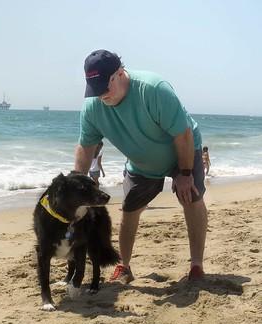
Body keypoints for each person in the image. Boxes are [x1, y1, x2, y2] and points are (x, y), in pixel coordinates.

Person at [74, 49, 208, 283]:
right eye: (94, 90)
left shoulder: (153, 89)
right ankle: (124, 266)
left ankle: (197, 265)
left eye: (104, 87)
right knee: (129, 209)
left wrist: (185, 173)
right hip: (142, 162)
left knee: (191, 197)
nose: (101, 95)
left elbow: (183, 134)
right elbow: (86, 148)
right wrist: (76, 185)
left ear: (119, 74)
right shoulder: (93, 107)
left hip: (182, 150)